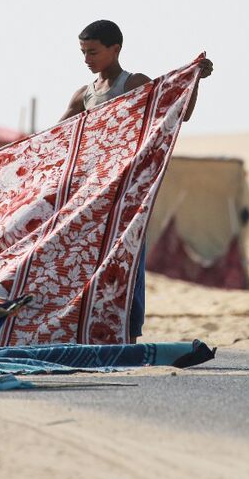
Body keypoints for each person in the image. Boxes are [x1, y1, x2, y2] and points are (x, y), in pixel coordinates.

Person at [59, 20, 213, 343]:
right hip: (93, 193)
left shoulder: (133, 85)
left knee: (128, 261)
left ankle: (130, 332)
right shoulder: (84, 96)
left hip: (128, 192)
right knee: (90, 262)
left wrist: (194, 79)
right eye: (83, 52)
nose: (87, 59)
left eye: (93, 52)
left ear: (115, 50)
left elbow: (178, 110)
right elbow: (55, 137)